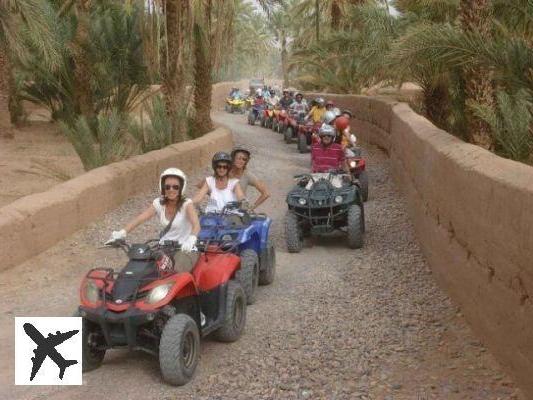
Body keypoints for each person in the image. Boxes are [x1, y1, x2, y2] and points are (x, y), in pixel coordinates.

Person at [105, 168, 200, 271]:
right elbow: (140, 218)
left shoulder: (187, 204)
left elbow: (196, 225)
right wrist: (122, 232)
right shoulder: (158, 203)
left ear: (181, 188)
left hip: (185, 248)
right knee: (143, 268)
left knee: (176, 271)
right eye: (167, 187)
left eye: (175, 187)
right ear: (163, 187)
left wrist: (191, 239)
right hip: (164, 247)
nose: (171, 189)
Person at [230, 146, 270, 211]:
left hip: (239, 210)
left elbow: (266, 193)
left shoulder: (247, 175)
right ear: (233, 159)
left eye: (244, 159)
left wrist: (251, 208)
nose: (241, 161)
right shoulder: (224, 171)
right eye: (239, 158)